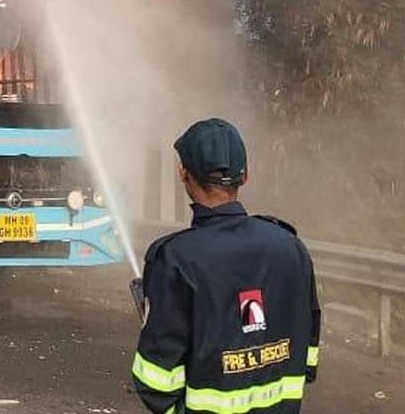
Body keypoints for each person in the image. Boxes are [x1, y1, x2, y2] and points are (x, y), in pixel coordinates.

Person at [132, 118, 321, 414]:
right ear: (244, 177)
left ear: (184, 175)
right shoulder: (291, 248)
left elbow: (155, 382)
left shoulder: (175, 259)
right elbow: (307, 361)